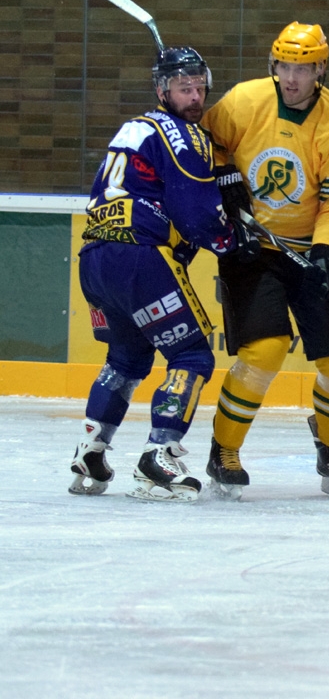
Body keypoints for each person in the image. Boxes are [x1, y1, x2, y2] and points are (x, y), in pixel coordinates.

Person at [201, 21, 329, 499]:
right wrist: (223, 175)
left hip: (306, 249)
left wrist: (328, 249)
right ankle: (224, 451)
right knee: (264, 351)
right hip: (251, 247)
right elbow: (202, 139)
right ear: (273, 65)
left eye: (303, 68)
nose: (293, 78)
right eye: (285, 66)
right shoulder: (244, 100)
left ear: (321, 68)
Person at [70, 46, 245, 502]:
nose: (194, 96)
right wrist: (229, 239)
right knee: (192, 357)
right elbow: (195, 214)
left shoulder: (135, 127)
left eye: (199, 87)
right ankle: (158, 454)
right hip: (140, 257)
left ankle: (91, 447)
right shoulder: (185, 136)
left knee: (126, 362)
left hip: (94, 259)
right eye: (184, 88)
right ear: (162, 89)